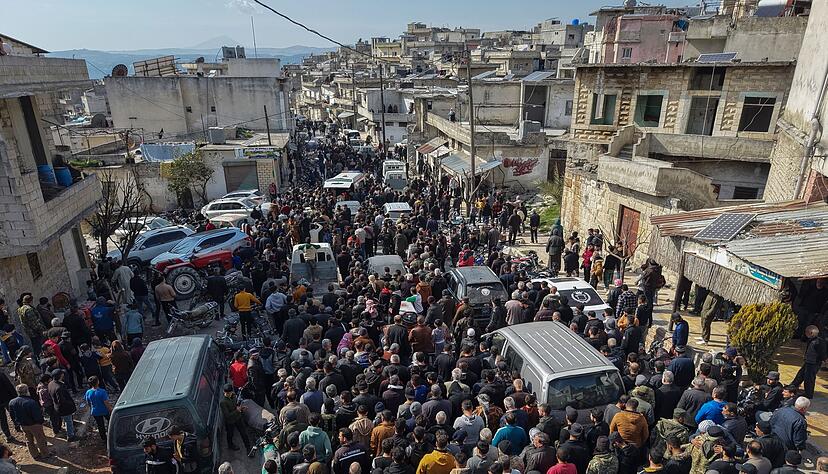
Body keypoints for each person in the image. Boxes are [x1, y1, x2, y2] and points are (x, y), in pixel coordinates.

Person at [8, 383, 49, 459]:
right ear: (27, 391)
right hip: (34, 425)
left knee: (29, 441)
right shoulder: (31, 402)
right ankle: (45, 454)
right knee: (40, 440)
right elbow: (37, 415)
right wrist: (40, 422)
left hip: (23, 425)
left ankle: (35, 455)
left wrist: (17, 424)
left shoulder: (12, 402)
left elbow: (12, 415)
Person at [790, 325, 826, 399]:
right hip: (808, 361)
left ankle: (808, 394)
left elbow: (822, 353)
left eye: (807, 332)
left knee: (809, 378)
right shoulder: (811, 340)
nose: (806, 334)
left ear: (811, 333)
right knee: (801, 374)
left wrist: (824, 360)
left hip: (813, 363)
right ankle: (793, 386)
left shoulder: (818, 342)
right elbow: (803, 339)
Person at [48, 369, 78, 442]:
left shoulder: (51, 384)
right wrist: (70, 403)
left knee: (66, 420)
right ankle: (70, 436)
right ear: (60, 376)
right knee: (69, 421)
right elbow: (61, 401)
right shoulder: (59, 387)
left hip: (56, 407)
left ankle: (69, 430)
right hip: (64, 408)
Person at [220, 383, 251, 452]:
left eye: (229, 393)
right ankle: (230, 445)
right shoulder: (223, 402)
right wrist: (237, 410)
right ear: (224, 392)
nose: (228, 394)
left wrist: (241, 408)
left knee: (243, 433)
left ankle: (248, 448)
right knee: (230, 434)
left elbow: (236, 405)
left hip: (238, 418)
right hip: (230, 421)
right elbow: (227, 415)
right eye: (227, 393)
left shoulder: (234, 396)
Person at [84, 376, 112, 441]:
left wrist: (91, 408)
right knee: (110, 421)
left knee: (100, 425)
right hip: (104, 410)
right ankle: (111, 433)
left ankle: (104, 439)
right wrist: (111, 409)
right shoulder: (102, 391)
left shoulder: (88, 392)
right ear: (98, 382)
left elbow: (88, 402)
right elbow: (106, 403)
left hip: (95, 411)